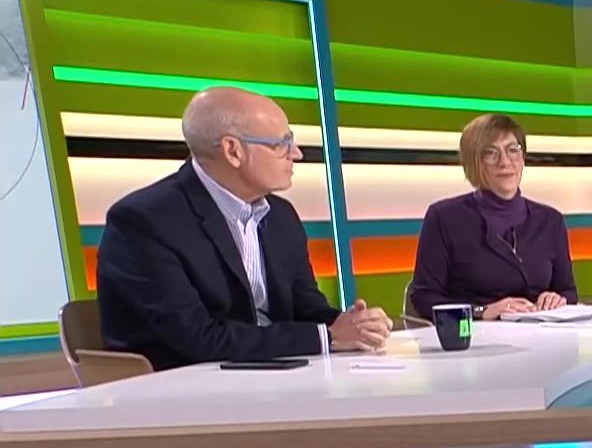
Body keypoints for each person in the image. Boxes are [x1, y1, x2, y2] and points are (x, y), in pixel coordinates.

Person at [96, 87, 392, 370]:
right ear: (233, 151)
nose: (297, 153)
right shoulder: (144, 221)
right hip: (181, 386)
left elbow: (305, 307)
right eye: (281, 143)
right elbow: (197, 338)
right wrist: (326, 337)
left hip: (275, 377)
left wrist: (352, 325)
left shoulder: (281, 216)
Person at [410, 113, 578, 321]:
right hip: (476, 335)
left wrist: (557, 299)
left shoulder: (551, 221)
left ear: (523, 157)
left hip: (543, 331)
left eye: (512, 150)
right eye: (491, 153)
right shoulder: (443, 218)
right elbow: (424, 298)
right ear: (474, 163)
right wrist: (482, 311)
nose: (505, 162)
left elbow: (568, 291)